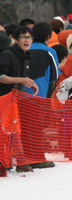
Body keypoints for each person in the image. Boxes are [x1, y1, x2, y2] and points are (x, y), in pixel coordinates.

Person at [0, 26, 38, 172]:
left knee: (13, 130)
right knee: (5, 131)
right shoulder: (7, 55)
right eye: (23, 37)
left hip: (14, 100)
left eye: (29, 37)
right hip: (3, 98)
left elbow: (21, 78)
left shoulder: (26, 55)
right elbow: (1, 77)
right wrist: (21, 79)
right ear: (16, 39)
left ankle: (17, 162)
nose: (27, 40)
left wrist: (30, 82)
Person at [28, 22, 61, 98]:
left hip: (21, 94)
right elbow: (55, 76)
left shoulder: (25, 49)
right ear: (48, 37)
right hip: (41, 94)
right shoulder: (50, 52)